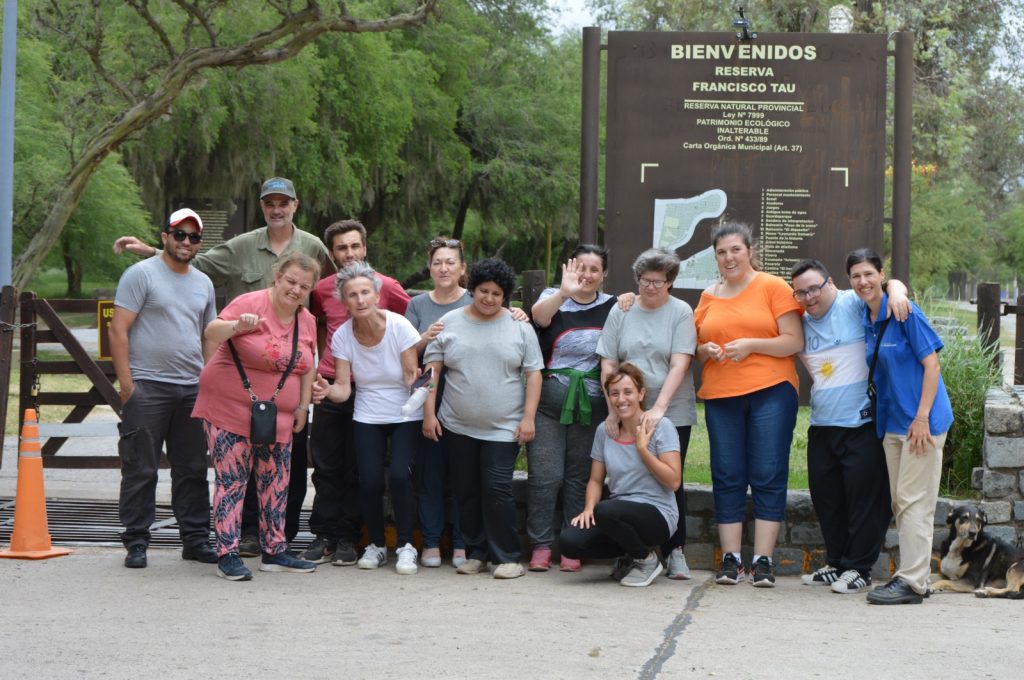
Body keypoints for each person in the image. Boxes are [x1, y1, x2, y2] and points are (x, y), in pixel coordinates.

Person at [114, 177, 333, 555]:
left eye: (284, 202)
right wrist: (128, 385)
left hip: (243, 382)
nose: (276, 209)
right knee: (165, 467)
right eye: (270, 203)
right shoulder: (237, 247)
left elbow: (328, 299)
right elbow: (127, 325)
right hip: (194, 380)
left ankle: (228, 540)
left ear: (295, 205)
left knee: (217, 469)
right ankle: (151, 540)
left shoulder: (310, 246)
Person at [192, 252, 319, 581]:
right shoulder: (251, 302)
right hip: (229, 407)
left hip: (277, 413)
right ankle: (228, 553)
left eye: (304, 286)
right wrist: (237, 326)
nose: (295, 289)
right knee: (233, 481)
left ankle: (275, 551)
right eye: (291, 281)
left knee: (276, 482)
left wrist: (304, 406)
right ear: (277, 277)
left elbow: (307, 366)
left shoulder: (306, 320)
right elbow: (211, 332)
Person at [694, 222, 803, 588]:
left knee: (768, 472)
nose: (729, 258)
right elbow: (697, 345)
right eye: (722, 252)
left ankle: (763, 560)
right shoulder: (708, 295)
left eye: (735, 250)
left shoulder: (772, 286)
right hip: (721, 394)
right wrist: (704, 350)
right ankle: (730, 560)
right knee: (726, 473)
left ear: (750, 250)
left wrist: (752, 344)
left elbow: (793, 341)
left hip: (771, 389)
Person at [791, 259, 908, 594]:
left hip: (861, 422)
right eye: (801, 292)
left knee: (864, 501)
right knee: (828, 499)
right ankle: (838, 561)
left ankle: (859, 568)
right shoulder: (800, 321)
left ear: (830, 284)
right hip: (822, 423)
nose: (809, 296)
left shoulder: (850, 302)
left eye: (814, 288)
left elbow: (884, 287)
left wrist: (897, 289)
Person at [109, 208, 218, 569]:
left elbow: (208, 335)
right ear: (165, 237)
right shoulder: (140, 275)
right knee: (141, 467)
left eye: (194, 237)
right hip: (148, 386)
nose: (186, 242)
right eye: (180, 234)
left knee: (192, 468)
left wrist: (208, 382)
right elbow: (119, 330)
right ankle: (137, 540)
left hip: (190, 388)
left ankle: (195, 538)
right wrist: (127, 384)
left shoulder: (203, 283)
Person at [422, 258, 543, 580]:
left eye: (497, 294)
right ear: (473, 289)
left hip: (504, 427)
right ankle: (477, 552)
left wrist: (529, 418)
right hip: (456, 424)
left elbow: (533, 374)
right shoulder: (449, 322)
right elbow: (430, 371)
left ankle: (508, 556)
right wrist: (428, 413)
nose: (489, 298)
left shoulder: (520, 326)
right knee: (466, 490)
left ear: (506, 296)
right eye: (483, 291)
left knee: (497, 489)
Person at [300, 219, 410, 567]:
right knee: (326, 465)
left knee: (360, 469)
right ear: (332, 254)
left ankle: (349, 536)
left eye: (354, 246)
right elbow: (319, 326)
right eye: (341, 248)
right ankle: (324, 534)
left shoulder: (386, 287)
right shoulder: (323, 289)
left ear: (365, 247)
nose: (349, 253)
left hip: (378, 390)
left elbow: (409, 327)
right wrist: (321, 375)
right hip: (335, 380)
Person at [846, 248, 953, 605]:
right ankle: (912, 575)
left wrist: (922, 417)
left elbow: (932, 365)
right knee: (901, 502)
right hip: (892, 422)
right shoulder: (866, 313)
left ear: (881, 275)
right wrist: (895, 286)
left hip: (921, 421)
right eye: (856, 276)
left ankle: (912, 582)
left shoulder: (904, 312)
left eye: (869, 274)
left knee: (914, 502)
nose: (863, 282)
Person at [597, 248, 697, 580]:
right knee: (625, 475)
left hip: (670, 408)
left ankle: (675, 551)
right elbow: (609, 361)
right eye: (644, 280)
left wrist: (658, 409)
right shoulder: (621, 309)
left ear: (670, 282)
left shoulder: (681, 311)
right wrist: (613, 410)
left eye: (657, 281)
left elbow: (680, 363)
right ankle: (634, 551)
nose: (650, 287)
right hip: (624, 407)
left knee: (670, 481)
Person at [526, 245, 618, 573]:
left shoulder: (613, 306)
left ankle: (572, 543)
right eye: (581, 268)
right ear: (570, 269)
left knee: (580, 477)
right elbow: (540, 317)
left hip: (592, 405)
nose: (587, 276)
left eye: (595, 270)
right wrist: (565, 292)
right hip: (550, 403)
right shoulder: (555, 296)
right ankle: (539, 544)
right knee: (545, 475)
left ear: (604, 274)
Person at [559, 364, 682, 587]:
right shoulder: (604, 431)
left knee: (606, 510)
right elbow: (596, 480)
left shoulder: (661, 426)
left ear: (641, 394)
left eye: (628, 392)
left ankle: (646, 560)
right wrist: (588, 509)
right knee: (569, 542)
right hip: (617, 515)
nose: (621, 399)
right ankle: (631, 555)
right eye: (614, 393)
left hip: (658, 515)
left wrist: (643, 449)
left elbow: (674, 481)